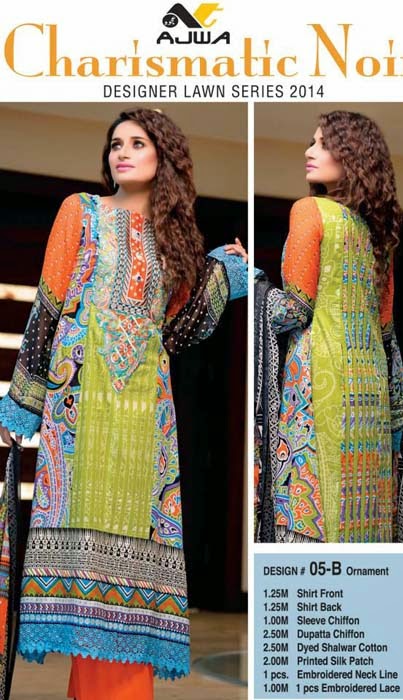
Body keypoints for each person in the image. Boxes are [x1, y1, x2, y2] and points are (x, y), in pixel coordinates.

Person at [0, 107, 247, 699]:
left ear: (164, 156)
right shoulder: (80, 211)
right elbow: (48, 307)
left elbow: (178, 332)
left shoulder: (173, 241)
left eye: (137, 143)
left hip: (144, 417)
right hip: (78, 410)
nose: (122, 153)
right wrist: (22, 403)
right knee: (83, 561)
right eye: (116, 144)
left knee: (133, 573)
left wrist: (225, 272)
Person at [255, 110, 403, 544]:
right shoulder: (379, 235)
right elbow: (385, 331)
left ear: (352, 155)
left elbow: (293, 309)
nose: (309, 151)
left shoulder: (309, 211)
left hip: (319, 383)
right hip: (371, 397)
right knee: (365, 518)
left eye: (323, 144)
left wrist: (254, 282)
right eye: (312, 142)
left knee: (314, 514)